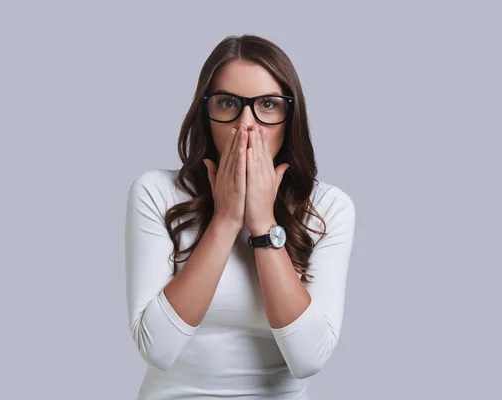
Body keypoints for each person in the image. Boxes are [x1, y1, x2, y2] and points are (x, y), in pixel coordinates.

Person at [125, 34, 357, 400]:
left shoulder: (328, 207)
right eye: (229, 103)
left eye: (267, 104)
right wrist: (226, 219)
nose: (246, 124)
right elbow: (157, 349)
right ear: (205, 113)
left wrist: (262, 224)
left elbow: (308, 358)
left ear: (289, 116)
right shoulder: (156, 192)